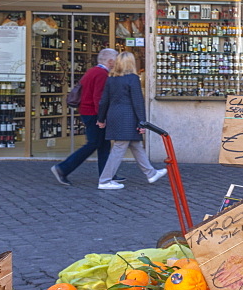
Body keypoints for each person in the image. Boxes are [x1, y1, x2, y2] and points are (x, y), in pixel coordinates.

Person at [96, 52, 166, 190]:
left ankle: (150, 173)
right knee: (119, 147)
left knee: (135, 145)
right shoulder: (133, 78)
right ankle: (105, 180)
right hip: (128, 117)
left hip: (114, 115)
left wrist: (101, 119)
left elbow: (104, 101)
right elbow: (137, 101)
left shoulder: (111, 79)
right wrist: (142, 122)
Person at [51, 48, 118, 186]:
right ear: (110, 61)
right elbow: (98, 98)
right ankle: (63, 168)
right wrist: (102, 118)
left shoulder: (92, 71)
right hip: (93, 113)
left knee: (103, 145)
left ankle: (106, 175)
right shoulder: (101, 74)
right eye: (116, 60)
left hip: (87, 111)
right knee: (93, 143)